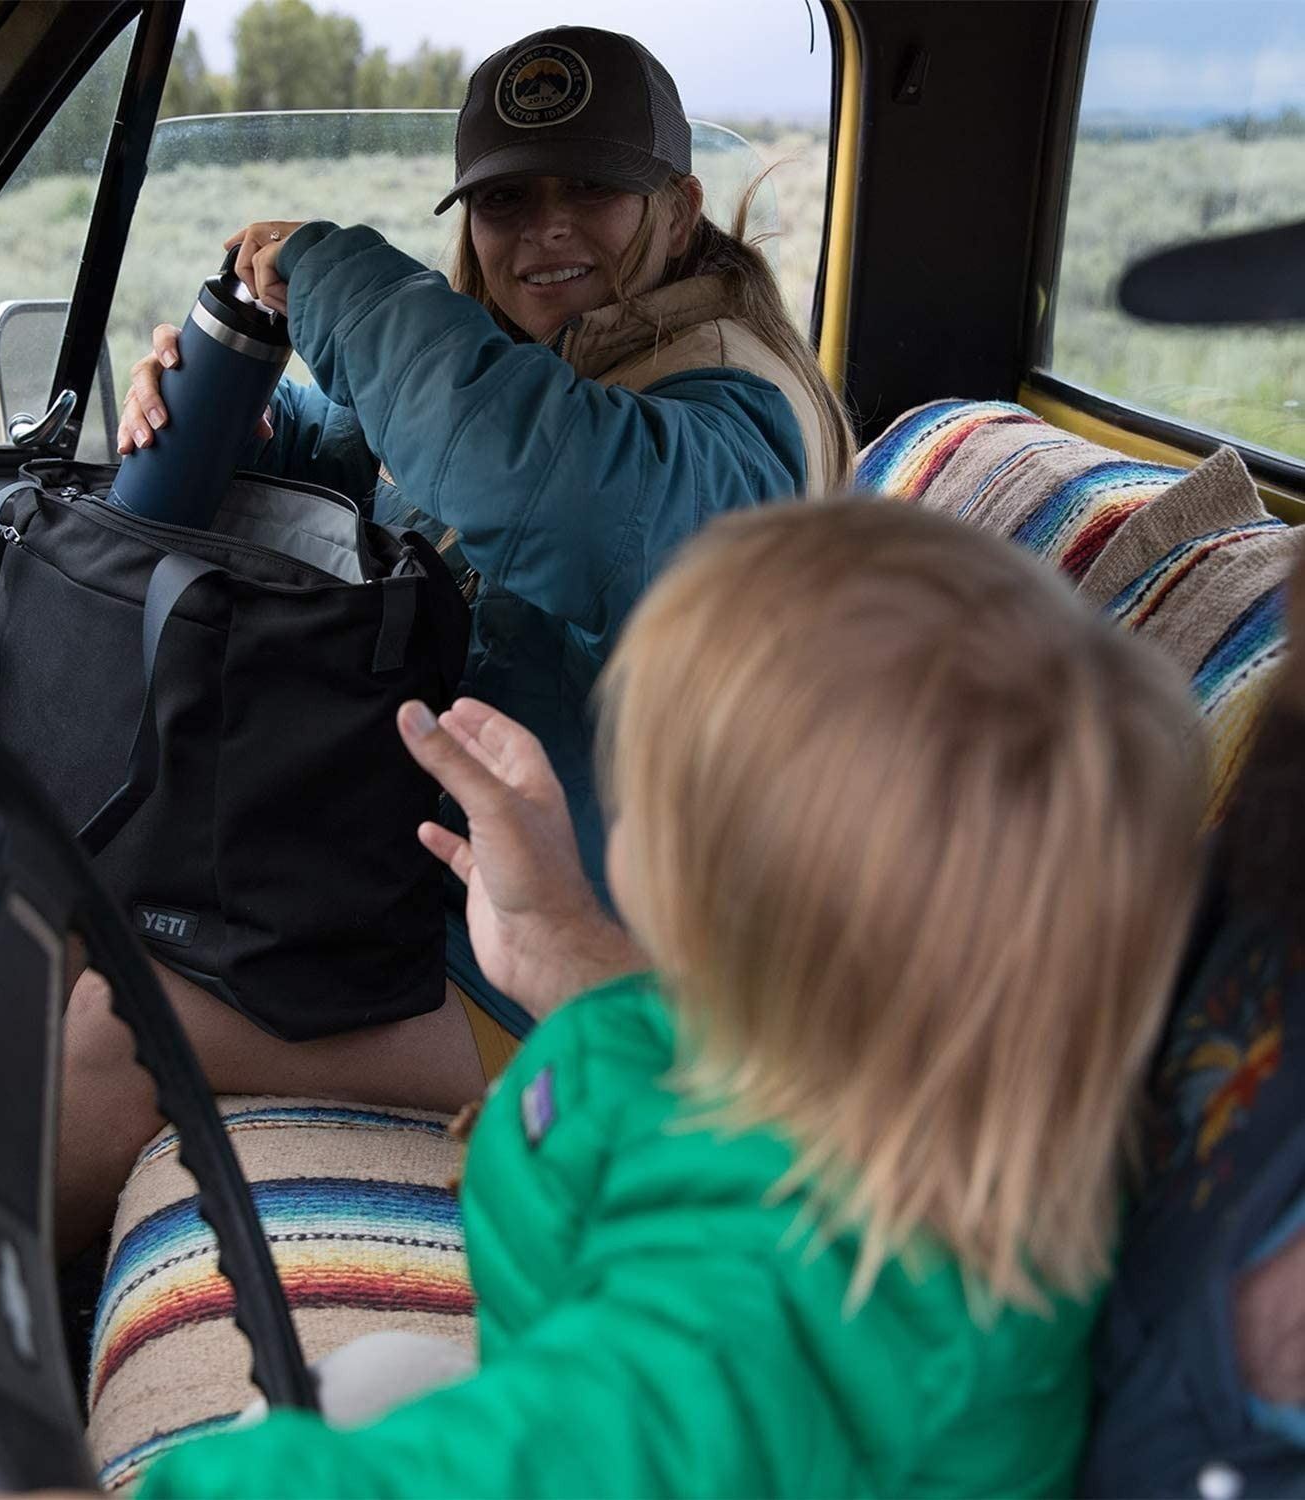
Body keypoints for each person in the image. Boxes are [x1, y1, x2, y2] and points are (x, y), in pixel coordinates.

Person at [120, 497, 1206, 1498]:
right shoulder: (916, 1112)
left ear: (732, 915)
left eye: (643, 787)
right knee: (381, 1378)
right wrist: (556, 941)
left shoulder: (758, 1320)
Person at [58, 26, 853, 1251]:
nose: (544, 232)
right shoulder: (560, 359)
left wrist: (332, 275)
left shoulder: (737, 422)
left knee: (116, 1029)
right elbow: (370, 452)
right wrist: (225, 411)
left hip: (593, 981)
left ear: (681, 210)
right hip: (438, 900)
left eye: (592, 190)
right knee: (68, 908)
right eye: (505, 200)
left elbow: (550, 485)